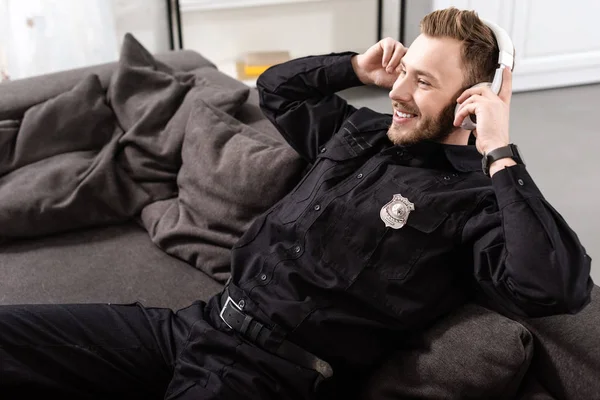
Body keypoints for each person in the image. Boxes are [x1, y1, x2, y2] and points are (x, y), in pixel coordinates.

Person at [0, 7, 593, 400]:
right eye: (404, 73)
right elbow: (276, 90)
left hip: (268, 374)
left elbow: (556, 287)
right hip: (192, 326)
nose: (401, 93)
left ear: (473, 100)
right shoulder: (362, 131)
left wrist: (500, 150)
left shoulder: (477, 200)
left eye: (424, 83)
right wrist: (354, 66)